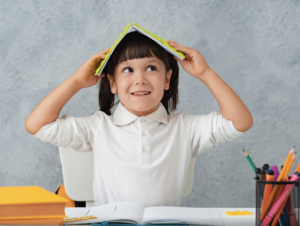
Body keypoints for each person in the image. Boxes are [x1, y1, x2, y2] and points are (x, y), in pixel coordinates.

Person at [25, 31, 253, 207]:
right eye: (128, 70)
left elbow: (240, 122)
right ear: (112, 83)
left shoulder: (185, 128)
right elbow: (37, 125)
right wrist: (76, 81)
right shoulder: (98, 127)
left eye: (151, 68)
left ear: (167, 79)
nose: (140, 79)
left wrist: (205, 73)